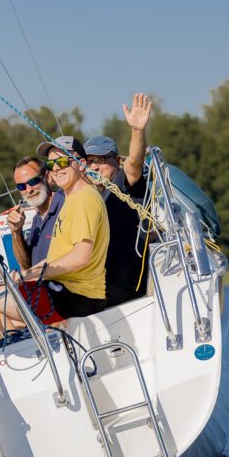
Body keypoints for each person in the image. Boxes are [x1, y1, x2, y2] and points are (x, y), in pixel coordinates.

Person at [0, 136, 109, 329]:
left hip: (74, 296)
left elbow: (81, 256)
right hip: (65, 292)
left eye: (63, 161)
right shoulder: (72, 200)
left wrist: (31, 274)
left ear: (81, 164)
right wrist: (27, 272)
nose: (57, 168)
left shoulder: (83, 199)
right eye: (52, 163)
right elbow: (50, 259)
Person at [84, 92, 153, 306]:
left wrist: (137, 131)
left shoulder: (124, 182)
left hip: (125, 288)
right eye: (89, 162)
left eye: (101, 160)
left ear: (117, 160)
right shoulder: (96, 196)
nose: (94, 166)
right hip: (104, 284)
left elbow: (134, 163)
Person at [6, 156, 64, 270]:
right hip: (43, 285)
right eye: (21, 186)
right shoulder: (37, 220)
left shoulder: (65, 204)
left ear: (47, 177)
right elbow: (26, 266)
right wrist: (16, 232)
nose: (29, 190)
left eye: (33, 181)